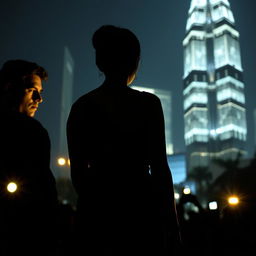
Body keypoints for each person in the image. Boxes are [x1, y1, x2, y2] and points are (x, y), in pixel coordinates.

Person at [67, 25, 181, 255]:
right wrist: (172, 224)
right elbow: (160, 169)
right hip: (142, 211)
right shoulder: (148, 104)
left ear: (100, 62)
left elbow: (78, 174)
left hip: (96, 215)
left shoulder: (82, 107)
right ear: (135, 61)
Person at [0, 59, 59, 256]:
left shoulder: (36, 132)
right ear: (9, 87)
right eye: (32, 90)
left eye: (40, 92)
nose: (39, 99)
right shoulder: (34, 132)